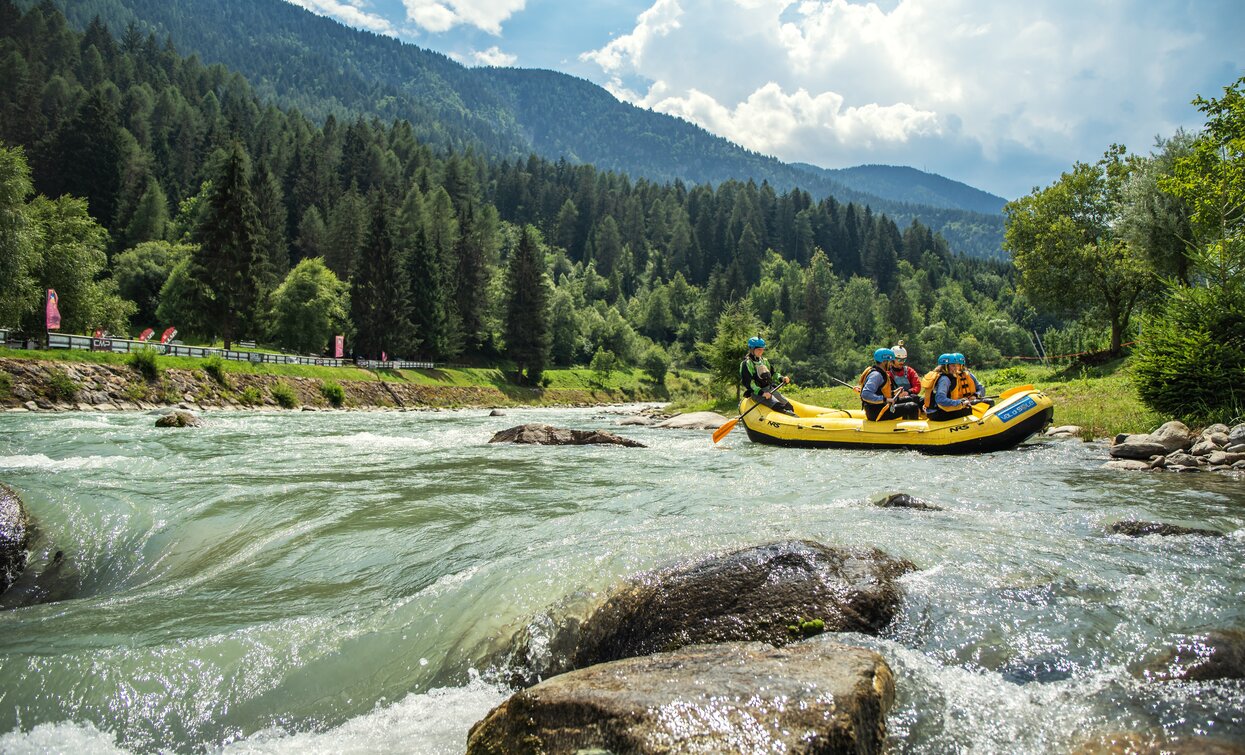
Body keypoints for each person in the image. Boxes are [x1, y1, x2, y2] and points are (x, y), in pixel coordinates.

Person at [860, 348, 921, 421]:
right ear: (884, 361)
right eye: (891, 361)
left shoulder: (881, 373)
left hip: (882, 407)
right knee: (912, 406)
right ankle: (912, 430)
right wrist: (885, 399)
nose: (891, 364)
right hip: (877, 412)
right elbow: (865, 394)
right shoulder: (876, 375)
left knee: (909, 399)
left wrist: (894, 392)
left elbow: (880, 392)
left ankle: (905, 424)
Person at [740, 337, 795, 415]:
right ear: (752, 349)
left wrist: (781, 378)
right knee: (780, 408)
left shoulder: (764, 361)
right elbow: (749, 383)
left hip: (769, 389)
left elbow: (773, 374)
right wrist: (762, 393)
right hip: (756, 393)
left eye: (762, 349)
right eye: (759, 349)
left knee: (789, 407)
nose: (761, 351)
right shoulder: (746, 364)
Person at [923, 353, 978, 422]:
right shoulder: (944, 379)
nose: (955, 368)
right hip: (939, 414)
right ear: (945, 366)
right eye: (953, 366)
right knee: (969, 409)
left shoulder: (938, 376)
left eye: (956, 365)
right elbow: (940, 399)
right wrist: (960, 402)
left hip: (933, 412)